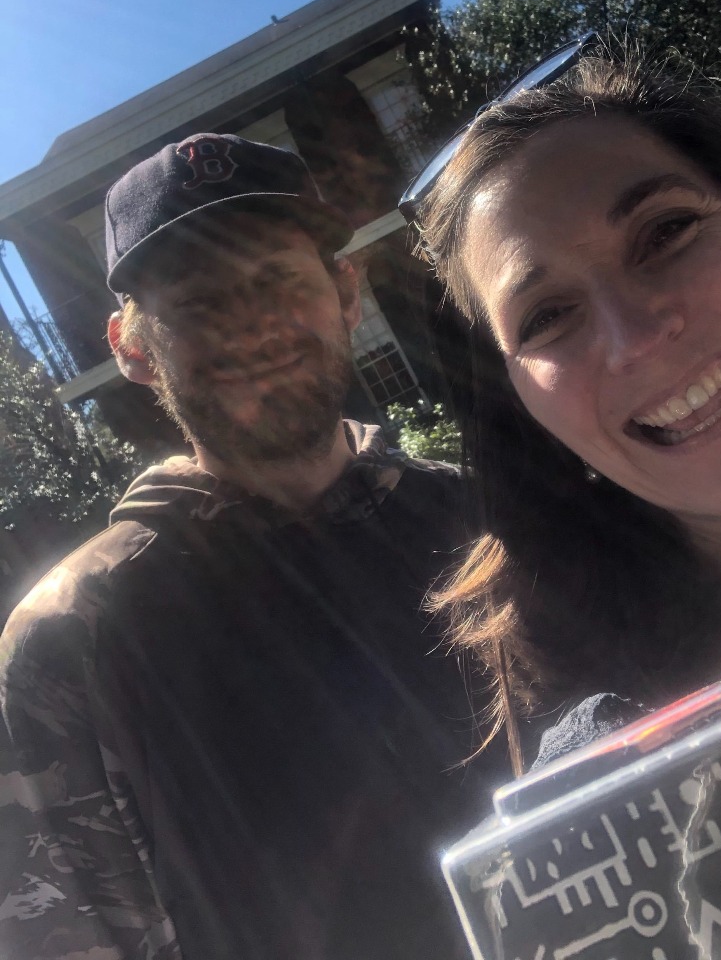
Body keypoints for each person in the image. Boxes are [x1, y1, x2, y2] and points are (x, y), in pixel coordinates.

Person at [400, 42, 721, 959]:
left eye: (665, 232)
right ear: (524, 413)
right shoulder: (600, 786)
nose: (635, 338)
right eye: (547, 316)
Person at [0, 133, 492, 960]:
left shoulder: (487, 523)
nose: (251, 324)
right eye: (197, 303)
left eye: (276, 279)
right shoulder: (65, 645)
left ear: (345, 291)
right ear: (130, 348)